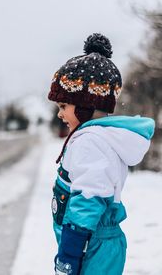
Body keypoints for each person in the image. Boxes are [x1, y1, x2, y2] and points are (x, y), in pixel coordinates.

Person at [48, 33, 155, 275]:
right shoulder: (98, 138)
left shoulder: (91, 143)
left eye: (63, 106)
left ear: (85, 105)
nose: (60, 114)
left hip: (91, 245)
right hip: (94, 242)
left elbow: (89, 198)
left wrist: (70, 253)